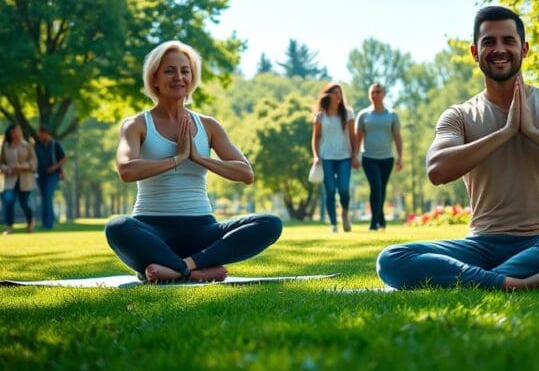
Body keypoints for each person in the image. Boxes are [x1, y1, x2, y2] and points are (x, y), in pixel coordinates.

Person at [376, 6, 539, 291]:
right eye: (489, 42)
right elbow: (437, 170)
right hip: (481, 245)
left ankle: (478, 280)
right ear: (474, 53)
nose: (499, 49)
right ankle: (512, 282)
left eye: (508, 40)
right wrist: (505, 133)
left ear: (524, 48)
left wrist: (534, 133)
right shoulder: (459, 116)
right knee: (391, 259)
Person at [105, 40, 282, 283]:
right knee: (117, 227)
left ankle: (180, 268)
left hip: (202, 229)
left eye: (185, 71)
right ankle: (196, 270)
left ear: (192, 77)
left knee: (270, 223)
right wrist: (177, 159)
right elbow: (126, 170)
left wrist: (199, 158)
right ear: (154, 78)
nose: (179, 77)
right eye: (169, 71)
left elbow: (245, 173)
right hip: (151, 228)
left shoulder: (208, 125)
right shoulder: (136, 125)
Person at [355, 83, 403, 231]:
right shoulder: (363, 115)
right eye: (373, 92)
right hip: (369, 158)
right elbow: (358, 138)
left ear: (383, 94)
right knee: (375, 187)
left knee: (381, 189)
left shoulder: (391, 115)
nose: (375, 94)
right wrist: (354, 157)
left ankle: (381, 220)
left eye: (378, 92)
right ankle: (374, 223)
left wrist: (400, 157)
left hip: (387, 159)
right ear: (369, 95)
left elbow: (397, 137)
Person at [311, 82, 358, 233]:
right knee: (330, 191)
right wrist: (316, 156)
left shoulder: (348, 113)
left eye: (340, 93)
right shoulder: (320, 116)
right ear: (328, 95)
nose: (339, 95)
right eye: (335, 92)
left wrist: (355, 156)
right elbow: (316, 139)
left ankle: (344, 213)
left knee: (344, 189)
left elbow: (353, 137)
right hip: (326, 158)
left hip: (345, 157)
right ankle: (333, 224)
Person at [1, 124, 38, 234]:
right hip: (10, 179)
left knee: (24, 203)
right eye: (15, 131)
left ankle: (30, 222)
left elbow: (34, 162)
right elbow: (1, 162)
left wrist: (22, 166)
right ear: (11, 133)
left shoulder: (27, 145)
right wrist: (6, 168)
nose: (18, 132)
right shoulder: (5, 146)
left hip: (25, 179)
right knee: (8, 201)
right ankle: (9, 226)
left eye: (18, 130)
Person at [35, 124, 67, 230]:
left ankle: (49, 223)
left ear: (46, 133)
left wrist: (55, 167)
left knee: (48, 195)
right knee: (44, 197)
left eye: (41, 134)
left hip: (53, 174)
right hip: (40, 174)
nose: (39, 136)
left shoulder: (54, 144)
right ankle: (44, 223)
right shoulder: (37, 145)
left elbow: (63, 158)